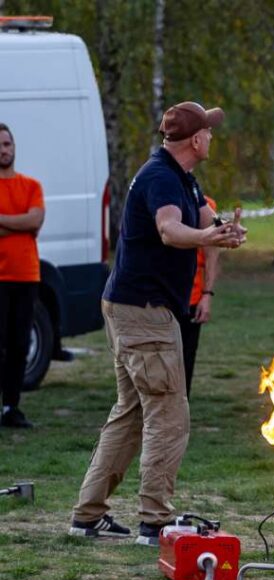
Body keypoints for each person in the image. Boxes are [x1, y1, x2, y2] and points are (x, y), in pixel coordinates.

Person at [69, 102, 245, 544]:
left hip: (135, 308)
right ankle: (155, 521)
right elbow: (170, 229)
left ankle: (87, 517)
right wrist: (206, 238)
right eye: (209, 130)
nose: (212, 136)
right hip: (144, 312)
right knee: (169, 414)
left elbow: (202, 217)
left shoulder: (179, 174)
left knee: (130, 413)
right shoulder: (160, 177)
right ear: (196, 140)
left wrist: (223, 230)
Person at [0, 122, 45, 429]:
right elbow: (27, 222)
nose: (4, 150)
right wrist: (21, 223)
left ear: (14, 148)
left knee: (19, 344)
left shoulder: (31, 186)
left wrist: (5, 223)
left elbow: (36, 219)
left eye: (7, 144)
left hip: (26, 276)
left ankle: (11, 407)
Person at [180, 196, 221, 398]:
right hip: (156, 300)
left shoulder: (204, 204)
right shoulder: (155, 195)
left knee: (185, 361)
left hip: (191, 297)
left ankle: (179, 414)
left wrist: (207, 294)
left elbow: (212, 252)